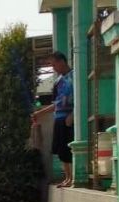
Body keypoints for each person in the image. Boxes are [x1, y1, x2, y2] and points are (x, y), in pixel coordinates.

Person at [33, 51, 74, 188]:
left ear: (62, 62)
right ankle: (67, 177)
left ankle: (73, 178)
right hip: (59, 118)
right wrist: (39, 113)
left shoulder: (74, 77)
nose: (53, 68)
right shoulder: (58, 82)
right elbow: (55, 104)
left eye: (54, 64)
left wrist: (73, 114)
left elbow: (81, 97)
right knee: (61, 149)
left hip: (69, 118)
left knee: (70, 148)